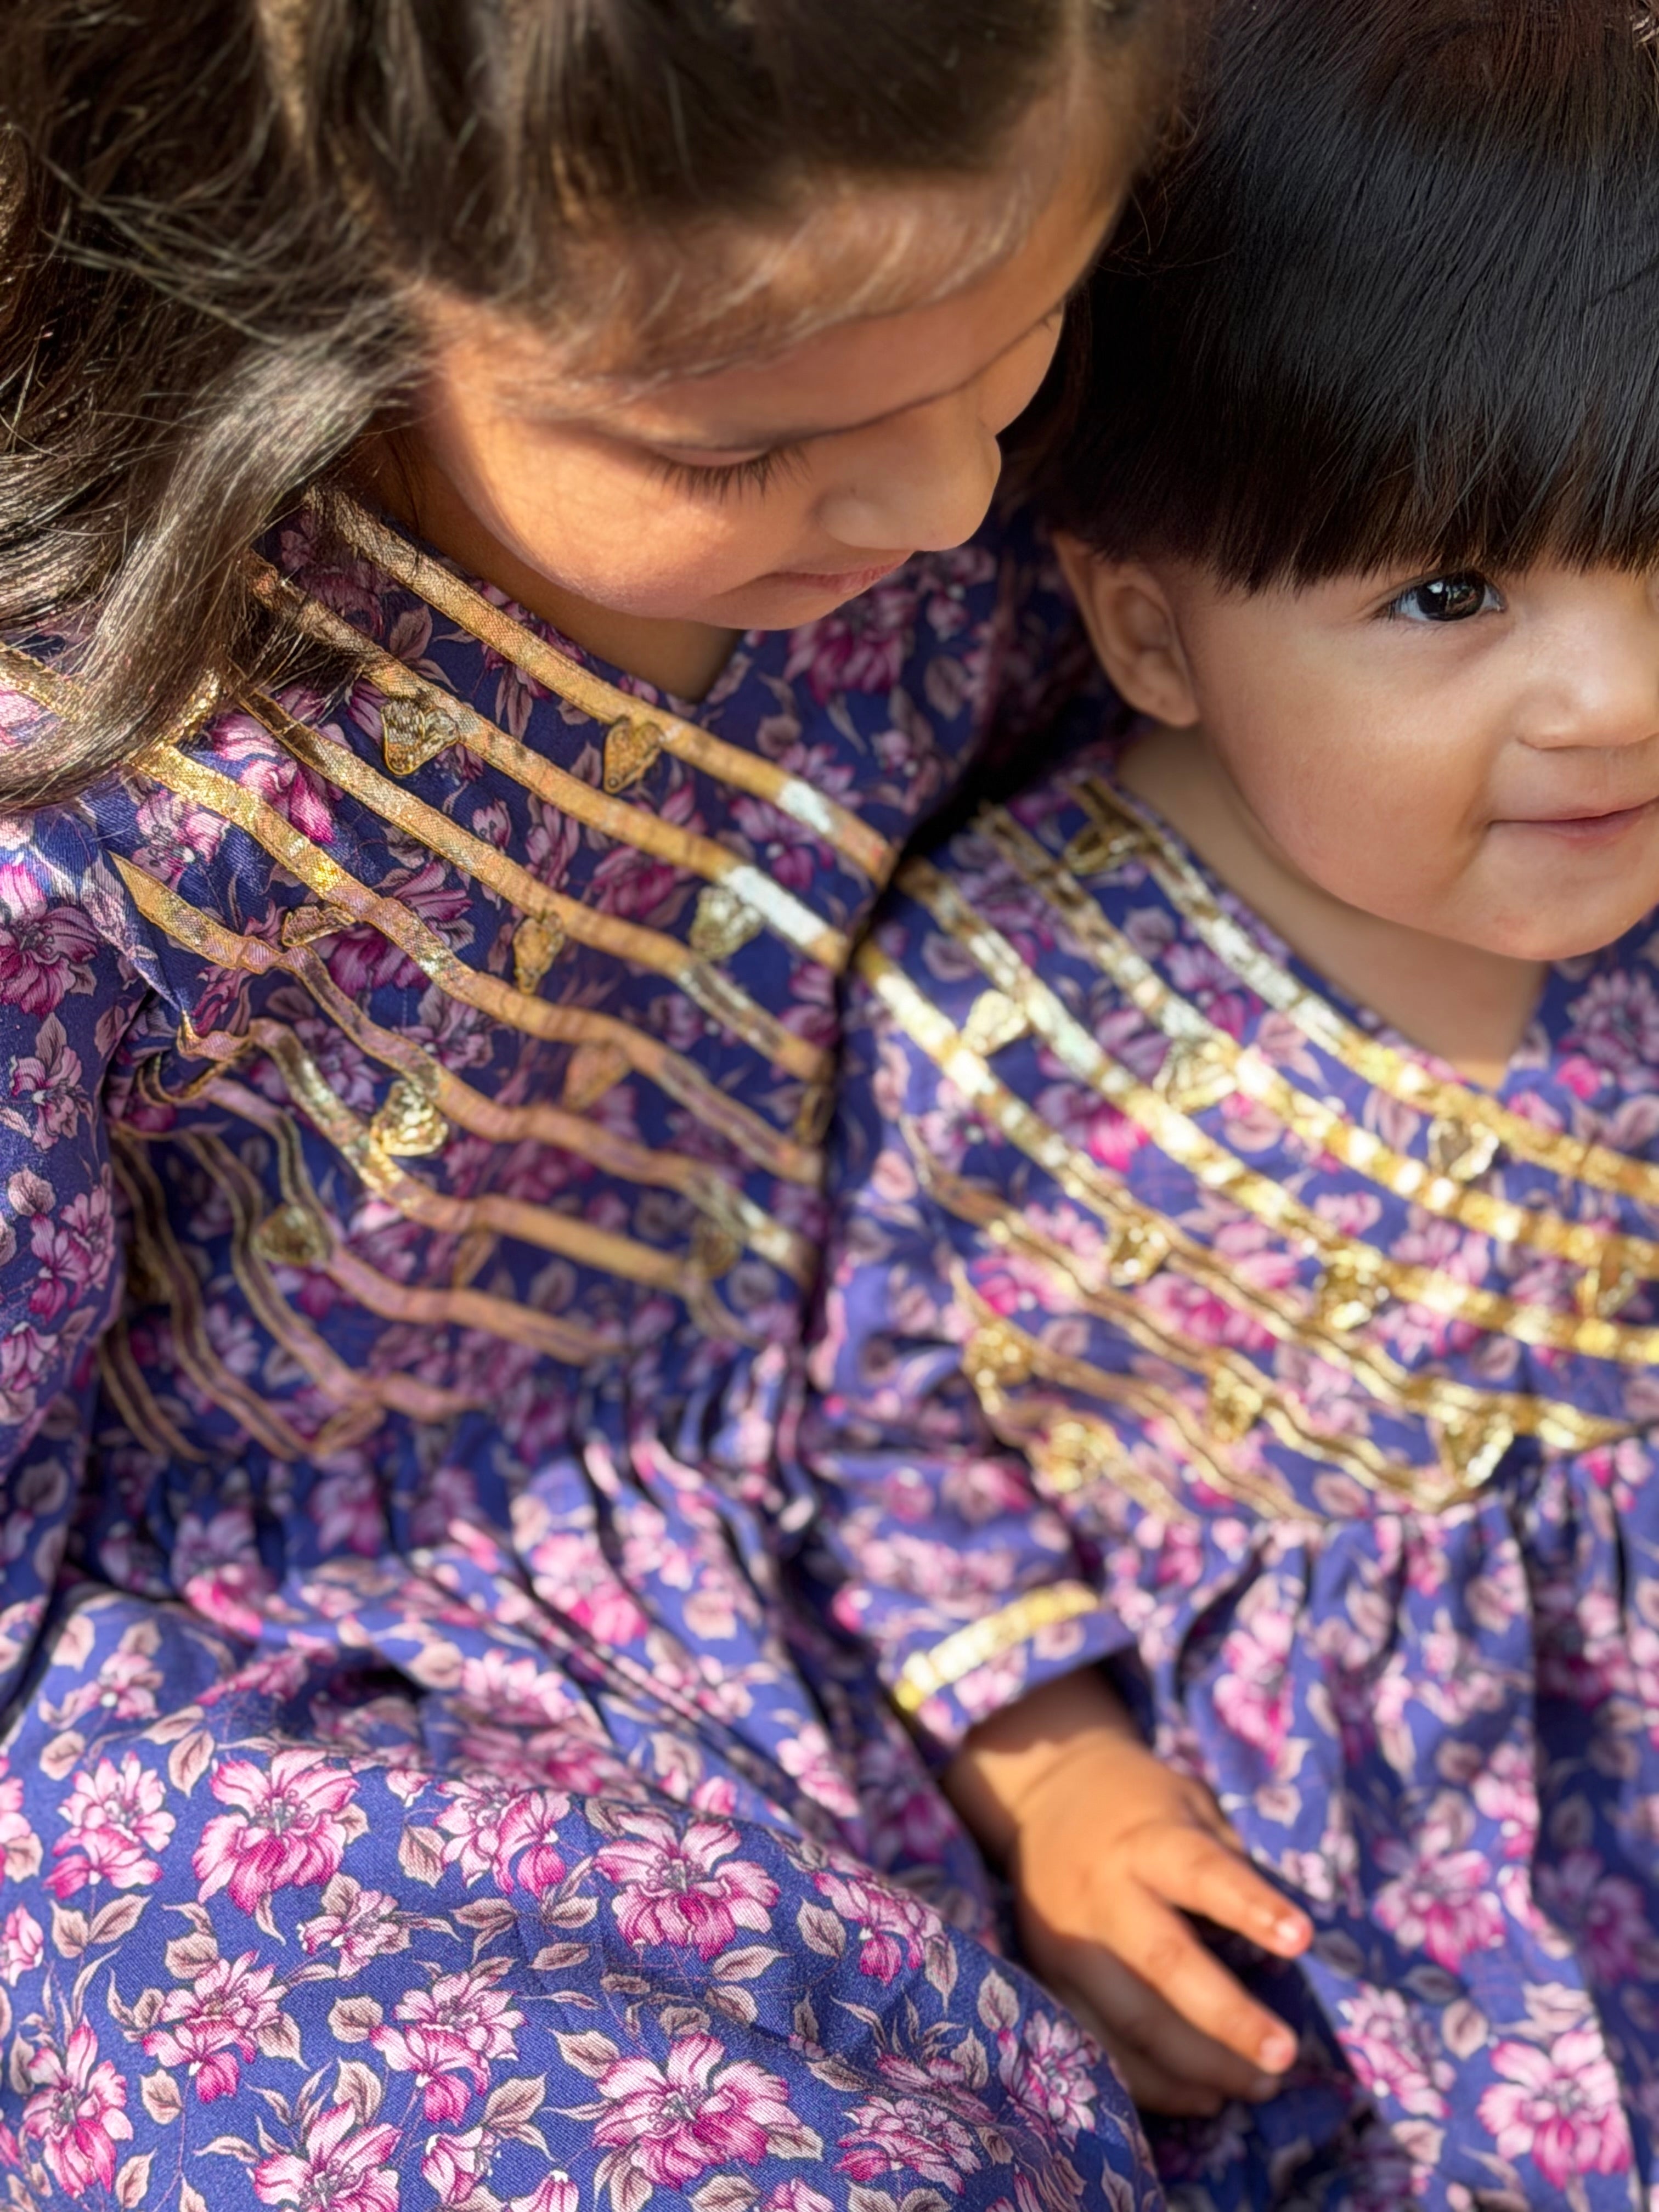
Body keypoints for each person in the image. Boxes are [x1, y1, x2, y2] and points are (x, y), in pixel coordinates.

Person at [0, 2, 1179, 2205]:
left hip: (899, 1491)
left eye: (1017, 340)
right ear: (316, 281)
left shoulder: (983, 503)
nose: (944, 501)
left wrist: (1029, 1707)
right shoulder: (80, 802)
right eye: (736, 450)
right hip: (292, 1712)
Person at [804, 1, 1659, 2203]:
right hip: (1365, 1966)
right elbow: (900, 1450)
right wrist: (1062, 1779)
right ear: (1156, 633)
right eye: (1449, 591)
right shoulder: (1017, 1005)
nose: (1618, 694)